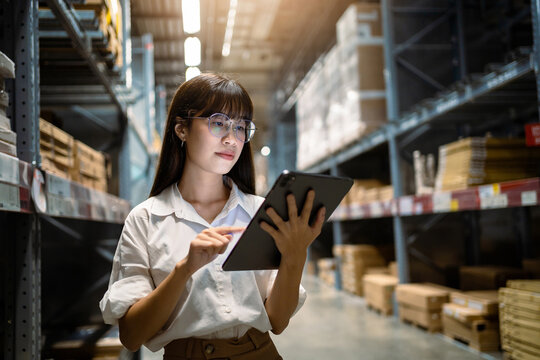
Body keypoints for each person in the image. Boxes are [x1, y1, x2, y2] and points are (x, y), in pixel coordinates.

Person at [99, 73, 326, 360]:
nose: (232, 139)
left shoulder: (262, 213)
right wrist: (184, 270)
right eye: (218, 123)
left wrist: (295, 256)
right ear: (181, 129)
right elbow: (131, 337)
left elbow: (278, 322)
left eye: (242, 127)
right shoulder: (145, 220)